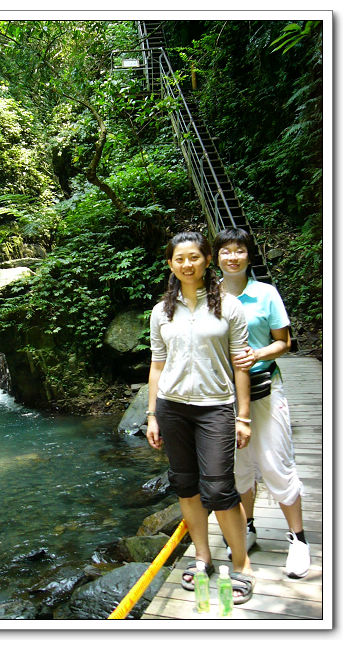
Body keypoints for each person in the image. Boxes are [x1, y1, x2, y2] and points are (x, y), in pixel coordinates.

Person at [146, 231, 255, 604]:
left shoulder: (229, 306)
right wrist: (152, 414)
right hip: (172, 407)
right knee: (186, 485)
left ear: (207, 260)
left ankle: (241, 565)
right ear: (170, 264)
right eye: (179, 259)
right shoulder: (161, 311)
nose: (187, 264)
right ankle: (202, 557)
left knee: (219, 488)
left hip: (215, 406)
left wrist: (243, 416)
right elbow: (157, 365)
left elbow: (241, 364)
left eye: (194, 257)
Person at [212, 227, 310, 579]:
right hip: (223, 395)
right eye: (226, 251)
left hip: (265, 387)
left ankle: (298, 539)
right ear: (216, 258)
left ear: (248, 255)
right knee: (239, 468)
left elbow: (284, 341)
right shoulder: (210, 296)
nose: (233, 257)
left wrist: (257, 354)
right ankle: (248, 527)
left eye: (239, 250)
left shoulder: (265, 294)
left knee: (275, 462)